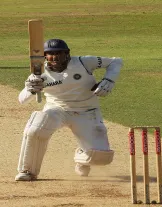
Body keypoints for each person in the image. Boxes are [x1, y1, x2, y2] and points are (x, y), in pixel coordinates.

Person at [15, 39, 123, 181]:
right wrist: (31, 90)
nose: (55, 57)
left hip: (87, 111)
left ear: (67, 53)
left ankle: (82, 156)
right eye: (50, 54)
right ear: (45, 56)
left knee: (101, 158)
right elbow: (21, 99)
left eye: (59, 53)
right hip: (56, 110)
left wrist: (108, 80)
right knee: (35, 128)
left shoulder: (84, 62)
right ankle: (27, 170)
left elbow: (116, 61)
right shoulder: (38, 72)